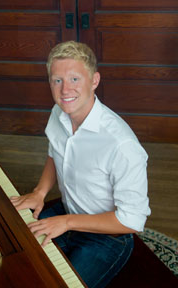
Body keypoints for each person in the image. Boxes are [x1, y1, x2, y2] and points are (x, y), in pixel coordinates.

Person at [11, 41, 151, 287]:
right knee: (10, 242)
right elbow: (55, 151)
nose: (65, 90)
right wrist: (40, 192)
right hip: (68, 213)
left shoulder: (121, 145)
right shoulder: (58, 112)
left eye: (75, 79)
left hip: (107, 237)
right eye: (57, 80)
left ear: (94, 80)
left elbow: (132, 221)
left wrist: (67, 222)